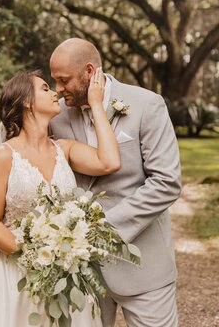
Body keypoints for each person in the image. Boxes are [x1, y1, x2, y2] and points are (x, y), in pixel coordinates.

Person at [0, 66, 120, 327]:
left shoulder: (64, 149)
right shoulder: (4, 156)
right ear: (26, 101)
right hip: (13, 279)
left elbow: (109, 161)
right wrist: (39, 261)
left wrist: (97, 105)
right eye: (45, 88)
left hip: (63, 276)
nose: (55, 93)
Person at [48, 38, 181, 327]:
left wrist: (103, 230)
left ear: (88, 70)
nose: (57, 89)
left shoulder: (147, 104)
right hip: (79, 272)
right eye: (53, 81)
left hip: (143, 266)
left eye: (63, 80)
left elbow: (166, 182)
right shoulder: (54, 116)